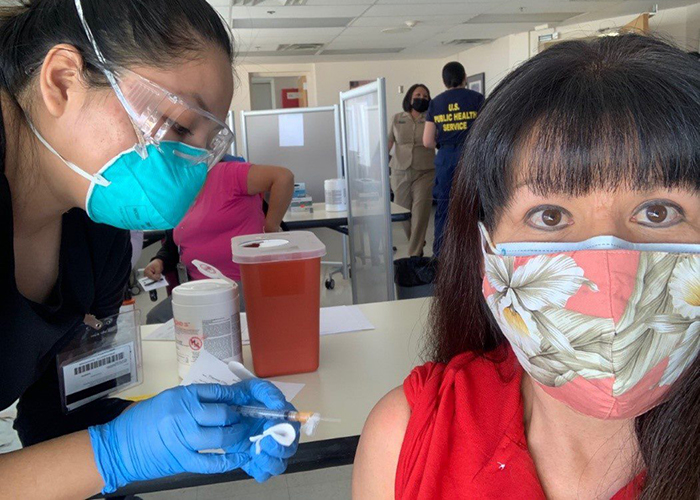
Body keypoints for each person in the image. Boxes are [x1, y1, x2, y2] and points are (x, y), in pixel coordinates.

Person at [354, 35, 699, 499]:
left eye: (658, 212)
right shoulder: (408, 437)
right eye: (549, 216)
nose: (608, 270)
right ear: (485, 248)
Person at [0, 0, 298, 497]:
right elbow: (102, 451)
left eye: (202, 147)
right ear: (63, 81)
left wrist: (190, 422)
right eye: (178, 128)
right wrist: (117, 452)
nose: (187, 173)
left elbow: (59, 417)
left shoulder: (97, 233)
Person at [144, 159, 295, 323]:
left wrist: (270, 229)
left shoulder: (226, 173)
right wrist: (159, 261)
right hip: (200, 288)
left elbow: (283, 178)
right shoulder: (177, 194)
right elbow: (176, 242)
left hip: (242, 283)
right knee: (155, 319)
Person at [423, 61, 484, 258]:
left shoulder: (436, 103)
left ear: (444, 81)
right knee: (473, 205)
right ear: (465, 77)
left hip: (446, 158)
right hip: (471, 156)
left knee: (444, 207)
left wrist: (444, 142)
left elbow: (427, 141)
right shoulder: (477, 98)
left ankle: (440, 255)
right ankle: (474, 253)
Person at [388, 84, 435, 257]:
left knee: (420, 211)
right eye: (418, 94)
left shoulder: (431, 118)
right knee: (402, 210)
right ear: (409, 97)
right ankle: (417, 240)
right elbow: (389, 142)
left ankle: (415, 254)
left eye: (425, 95)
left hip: (425, 170)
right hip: (400, 170)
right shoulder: (397, 118)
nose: (421, 98)